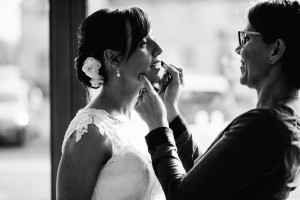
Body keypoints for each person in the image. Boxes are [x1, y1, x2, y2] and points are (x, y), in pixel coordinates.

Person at [134, 0, 300, 199]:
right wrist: (170, 111)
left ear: (275, 50)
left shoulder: (266, 125)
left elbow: (183, 196)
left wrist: (157, 126)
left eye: (246, 39)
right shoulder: (284, 122)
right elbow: (207, 179)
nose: (239, 50)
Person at [56, 7, 167, 200]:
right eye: (143, 43)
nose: (158, 48)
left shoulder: (145, 119)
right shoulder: (90, 132)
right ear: (113, 58)